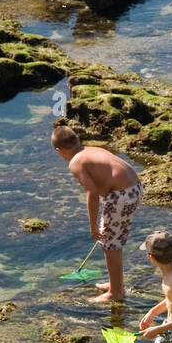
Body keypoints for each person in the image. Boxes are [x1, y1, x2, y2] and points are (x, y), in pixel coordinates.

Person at [51, 125, 142, 304]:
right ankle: (116, 284)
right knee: (113, 241)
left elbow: (92, 194)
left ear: (59, 151)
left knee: (110, 244)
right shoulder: (91, 149)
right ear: (77, 140)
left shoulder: (76, 162)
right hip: (134, 187)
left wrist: (93, 226)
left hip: (121, 194)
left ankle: (115, 293)